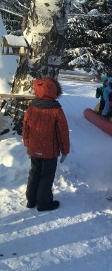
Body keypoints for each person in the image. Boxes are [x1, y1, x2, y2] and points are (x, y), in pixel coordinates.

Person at [22, 77, 70, 212]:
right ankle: (44, 203)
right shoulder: (56, 109)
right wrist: (65, 150)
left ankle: (31, 200)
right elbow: (63, 131)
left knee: (35, 172)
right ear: (54, 90)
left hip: (34, 148)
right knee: (46, 175)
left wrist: (27, 143)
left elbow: (25, 126)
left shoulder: (32, 107)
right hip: (50, 150)